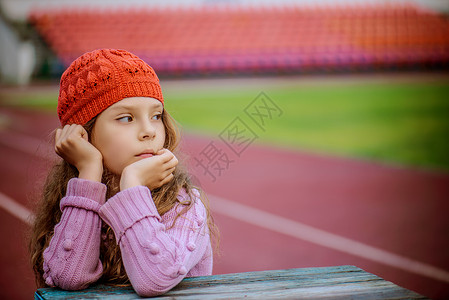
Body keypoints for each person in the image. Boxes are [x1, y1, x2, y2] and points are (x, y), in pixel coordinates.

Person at [29, 49, 217, 297]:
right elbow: (67, 277)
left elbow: (156, 280)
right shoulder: (72, 197)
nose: (149, 131)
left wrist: (133, 187)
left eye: (156, 115)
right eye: (127, 118)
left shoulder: (183, 204)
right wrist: (88, 172)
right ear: (83, 133)